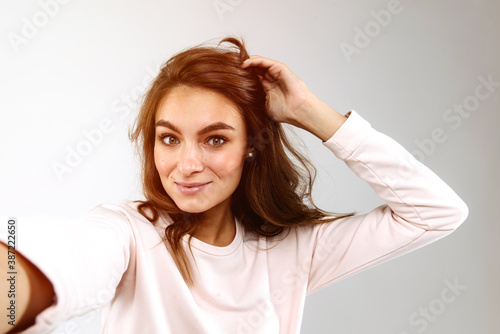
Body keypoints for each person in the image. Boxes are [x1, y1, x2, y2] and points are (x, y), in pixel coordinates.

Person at [0, 37, 468, 334]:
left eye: (215, 139)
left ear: (251, 146)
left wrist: (309, 112)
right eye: (169, 138)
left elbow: (436, 212)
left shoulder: (292, 251)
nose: (186, 164)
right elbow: (66, 257)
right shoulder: (127, 232)